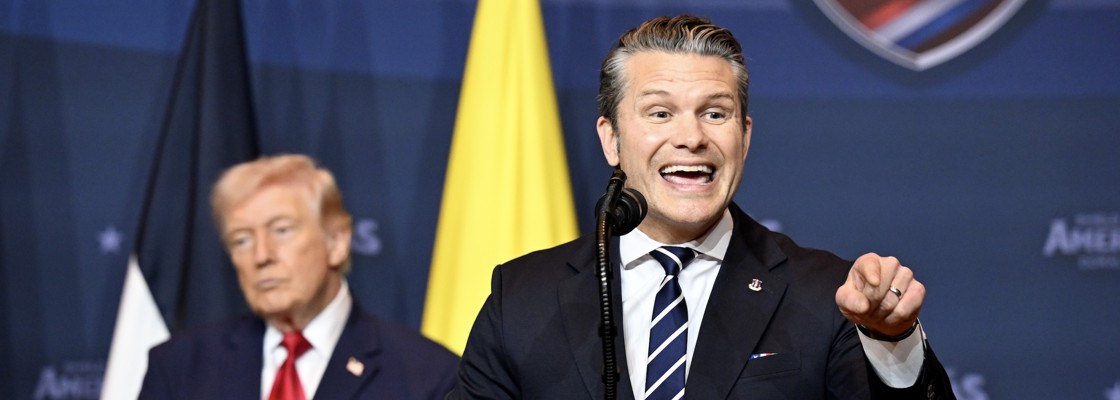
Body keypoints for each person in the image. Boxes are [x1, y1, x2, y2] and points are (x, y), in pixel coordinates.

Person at [449, 15, 954, 399]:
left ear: (744, 137)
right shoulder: (523, 298)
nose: (691, 137)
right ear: (612, 139)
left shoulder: (827, 296)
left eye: (715, 113)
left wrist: (893, 341)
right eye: (660, 112)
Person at [140, 154, 459, 399]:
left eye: (281, 230)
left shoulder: (428, 375)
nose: (261, 256)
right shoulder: (179, 367)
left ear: (336, 242)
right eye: (242, 240)